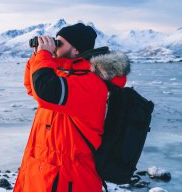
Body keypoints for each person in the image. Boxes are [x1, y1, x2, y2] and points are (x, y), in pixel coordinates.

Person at [13, 23, 129, 192]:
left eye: (58, 43)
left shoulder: (91, 83)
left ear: (76, 50)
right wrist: (37, 55)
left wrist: (44, 54)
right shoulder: (65, 74)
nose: (54, 46)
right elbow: (32, 86)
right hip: (43, 174)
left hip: (69, 180)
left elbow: (45, 90)